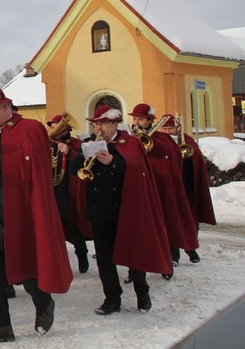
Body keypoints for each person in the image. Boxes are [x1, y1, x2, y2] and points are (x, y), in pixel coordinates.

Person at [0, 85, 72, 345]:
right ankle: (0, 325)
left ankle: (44, 302)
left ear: (6, 106)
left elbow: (35, 166)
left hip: (17, 213)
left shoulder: (30, 129)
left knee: (25, 269)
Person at [70, 105, 170, 316]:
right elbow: (74, 170)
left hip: (125, 209)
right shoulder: (90, 143)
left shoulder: (130, 143)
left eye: (103, 123)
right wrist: (82, 154)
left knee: (133, 254)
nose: (99, 127)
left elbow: (139, 169)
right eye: (96, 123)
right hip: (99, 210)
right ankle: (112, 298)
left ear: (115, 123)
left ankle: (142, 293)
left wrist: (114, 162)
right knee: (105, 259)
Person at [129, 104, 198, 279]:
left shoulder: (161, 137)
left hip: (159, 188)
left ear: (150, 120)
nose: (136, 122)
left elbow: (171, 153)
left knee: (164, 226)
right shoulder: (130, 137)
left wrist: (152, 143)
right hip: (140, 188)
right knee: (139, 231)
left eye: (140, 119)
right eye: (134, 119)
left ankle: (168, 264)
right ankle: (135, 271)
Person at [159, 114, 217, 264]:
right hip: (170, 188)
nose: (167, 132)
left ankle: (191, 248)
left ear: (176, 128)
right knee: (172, 221)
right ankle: (174, 255)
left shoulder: (186, 140)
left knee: (191, 220)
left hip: (187, 186)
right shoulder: (158, 142)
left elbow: (197, 160)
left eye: (170, 129)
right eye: (164, 129)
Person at [47, 113, 91, 274]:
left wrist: (69, 151)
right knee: (53, 229)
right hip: (53, 190)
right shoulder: (48, 144)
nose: (55, 130)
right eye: (52, 128)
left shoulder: (76, 144)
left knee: (73, 227)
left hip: (69, 191)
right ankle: (57, 263)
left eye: (58, 127)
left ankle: (82, 254)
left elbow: (83, 159)